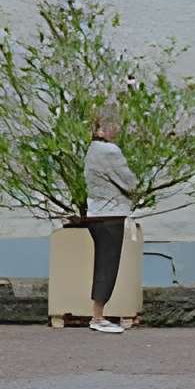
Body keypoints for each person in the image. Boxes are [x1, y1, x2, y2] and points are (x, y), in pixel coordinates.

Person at [80, 115, 140, 333]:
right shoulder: (110, 151)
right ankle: (97, 317)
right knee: (108, 264)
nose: (117, 130)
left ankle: (98, 316)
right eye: (113, 126)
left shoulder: (91, 150)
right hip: (111, 214)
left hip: (96, 212)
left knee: (103, 262)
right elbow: (130, 183)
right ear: (102, 129)